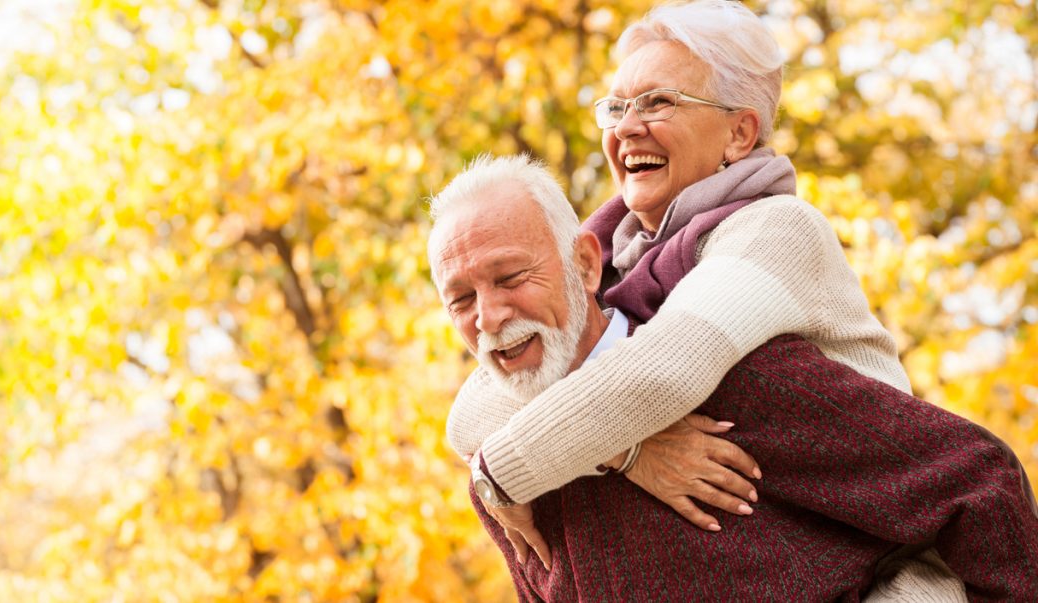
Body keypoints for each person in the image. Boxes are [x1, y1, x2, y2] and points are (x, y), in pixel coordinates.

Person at [428, 154, 1038, 600]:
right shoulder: (504, 478)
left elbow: (980, 483)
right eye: (460, 299)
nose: (489, 317)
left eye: (510, 278)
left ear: (587, 264)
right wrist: (626, 450)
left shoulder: (745, 380)